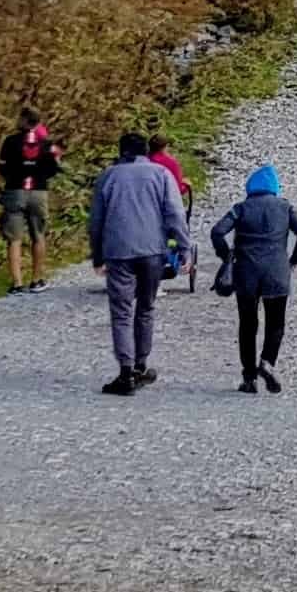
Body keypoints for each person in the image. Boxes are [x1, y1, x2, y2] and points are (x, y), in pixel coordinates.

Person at [89, 132, 186, 395]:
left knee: (121, 312)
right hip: (153, 250)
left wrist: (97, 255)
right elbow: (175, 213)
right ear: (145, 151)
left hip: (118, 251)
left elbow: (96, 220)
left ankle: (125, 372)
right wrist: (183, 248)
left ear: (121, 151)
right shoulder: (161, 174)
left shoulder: (108, 176)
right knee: (146, 307)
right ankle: (142, 365)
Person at [211, 165, 297, 393]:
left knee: (247, 325)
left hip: (246, 273)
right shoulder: (285, 208)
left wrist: (226, 255)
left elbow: (217, 231)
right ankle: (267, 362)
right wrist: (295, 259)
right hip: (277, 272)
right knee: (275, 323)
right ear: (274, 187)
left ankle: (249, 378)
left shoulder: (241, 208)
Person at [0, 110, 60, 292]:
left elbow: (2, 167)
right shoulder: (47, 144)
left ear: (24, 120)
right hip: (39, 191)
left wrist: (12, 178)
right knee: (38, 236)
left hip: (15, 191)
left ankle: (17, 283)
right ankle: (37, 279)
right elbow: (53, 169)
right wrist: (39, 176)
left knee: (14, 239)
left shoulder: (10, 141)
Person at [145, 135, 193, 288]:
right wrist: (186, 185)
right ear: (165, 147)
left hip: (145, 209)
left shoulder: (144, 162)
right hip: (165, 210)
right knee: (172, 232)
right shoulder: (170, 163)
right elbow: (177, 190)